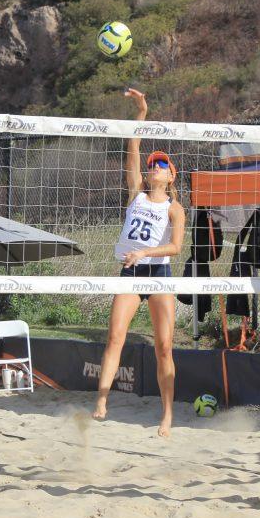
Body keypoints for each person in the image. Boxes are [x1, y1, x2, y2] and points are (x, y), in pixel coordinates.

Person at [92, 88, 186, 437]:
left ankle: (166, 415)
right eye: (153, 164)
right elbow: (133, 148)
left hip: (158, 272)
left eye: (162, 165)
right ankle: (101, 400)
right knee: (115, 337)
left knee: (164, 347)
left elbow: (176, 247)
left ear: (171, 176)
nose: (155, 167)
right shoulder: (137, 192)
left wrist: (145, 253)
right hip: (130, 272)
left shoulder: (174, 208)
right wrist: (142, 112)